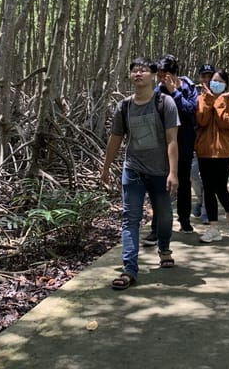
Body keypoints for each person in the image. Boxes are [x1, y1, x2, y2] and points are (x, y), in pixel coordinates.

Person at [100, 57, 179, 289]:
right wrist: (105, 167)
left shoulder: (165, 103)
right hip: (133, 169)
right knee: (130, 219)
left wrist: (173, 172)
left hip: (160, 171)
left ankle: (164, 248)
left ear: (153, 75)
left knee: (164, 216)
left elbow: (172, 140)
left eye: (143, 70)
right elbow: (116, 139)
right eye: (134, 70)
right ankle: (129, 269)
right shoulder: (124, 106)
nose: (138, 74)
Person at [150, 54, 198, 234]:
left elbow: (192, 110)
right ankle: (157, 226)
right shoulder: (157, 91)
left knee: (184, 184)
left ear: (173, 73)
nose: (162, 79)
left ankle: (184, 220)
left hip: (184, 144)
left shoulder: (189, 87)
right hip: (164, 146)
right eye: (160, 75)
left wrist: (175, 93)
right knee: (161, 186)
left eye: (164, 75)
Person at [194, 67, 229, 242]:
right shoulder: (202, 99)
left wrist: (220, 100)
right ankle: (213, 228)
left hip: (223, 151)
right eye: (214, 80)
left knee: (220, 187)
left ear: (226, 84)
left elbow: (225, 123)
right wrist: (208, 99)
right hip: (205, 150)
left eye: (221, 81)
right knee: (208, 188)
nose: (216, 83)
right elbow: (202, 120)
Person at [191, 63, 216, 222]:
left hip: (214, 144)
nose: (206, 79)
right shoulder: (193, 95)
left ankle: (207, 209)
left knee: (209, 179)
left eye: (209, 76)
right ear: (200, 78)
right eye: (204, 76)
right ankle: (201, 199)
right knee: (192, 174)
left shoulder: (220, 95)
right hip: (195, 142)